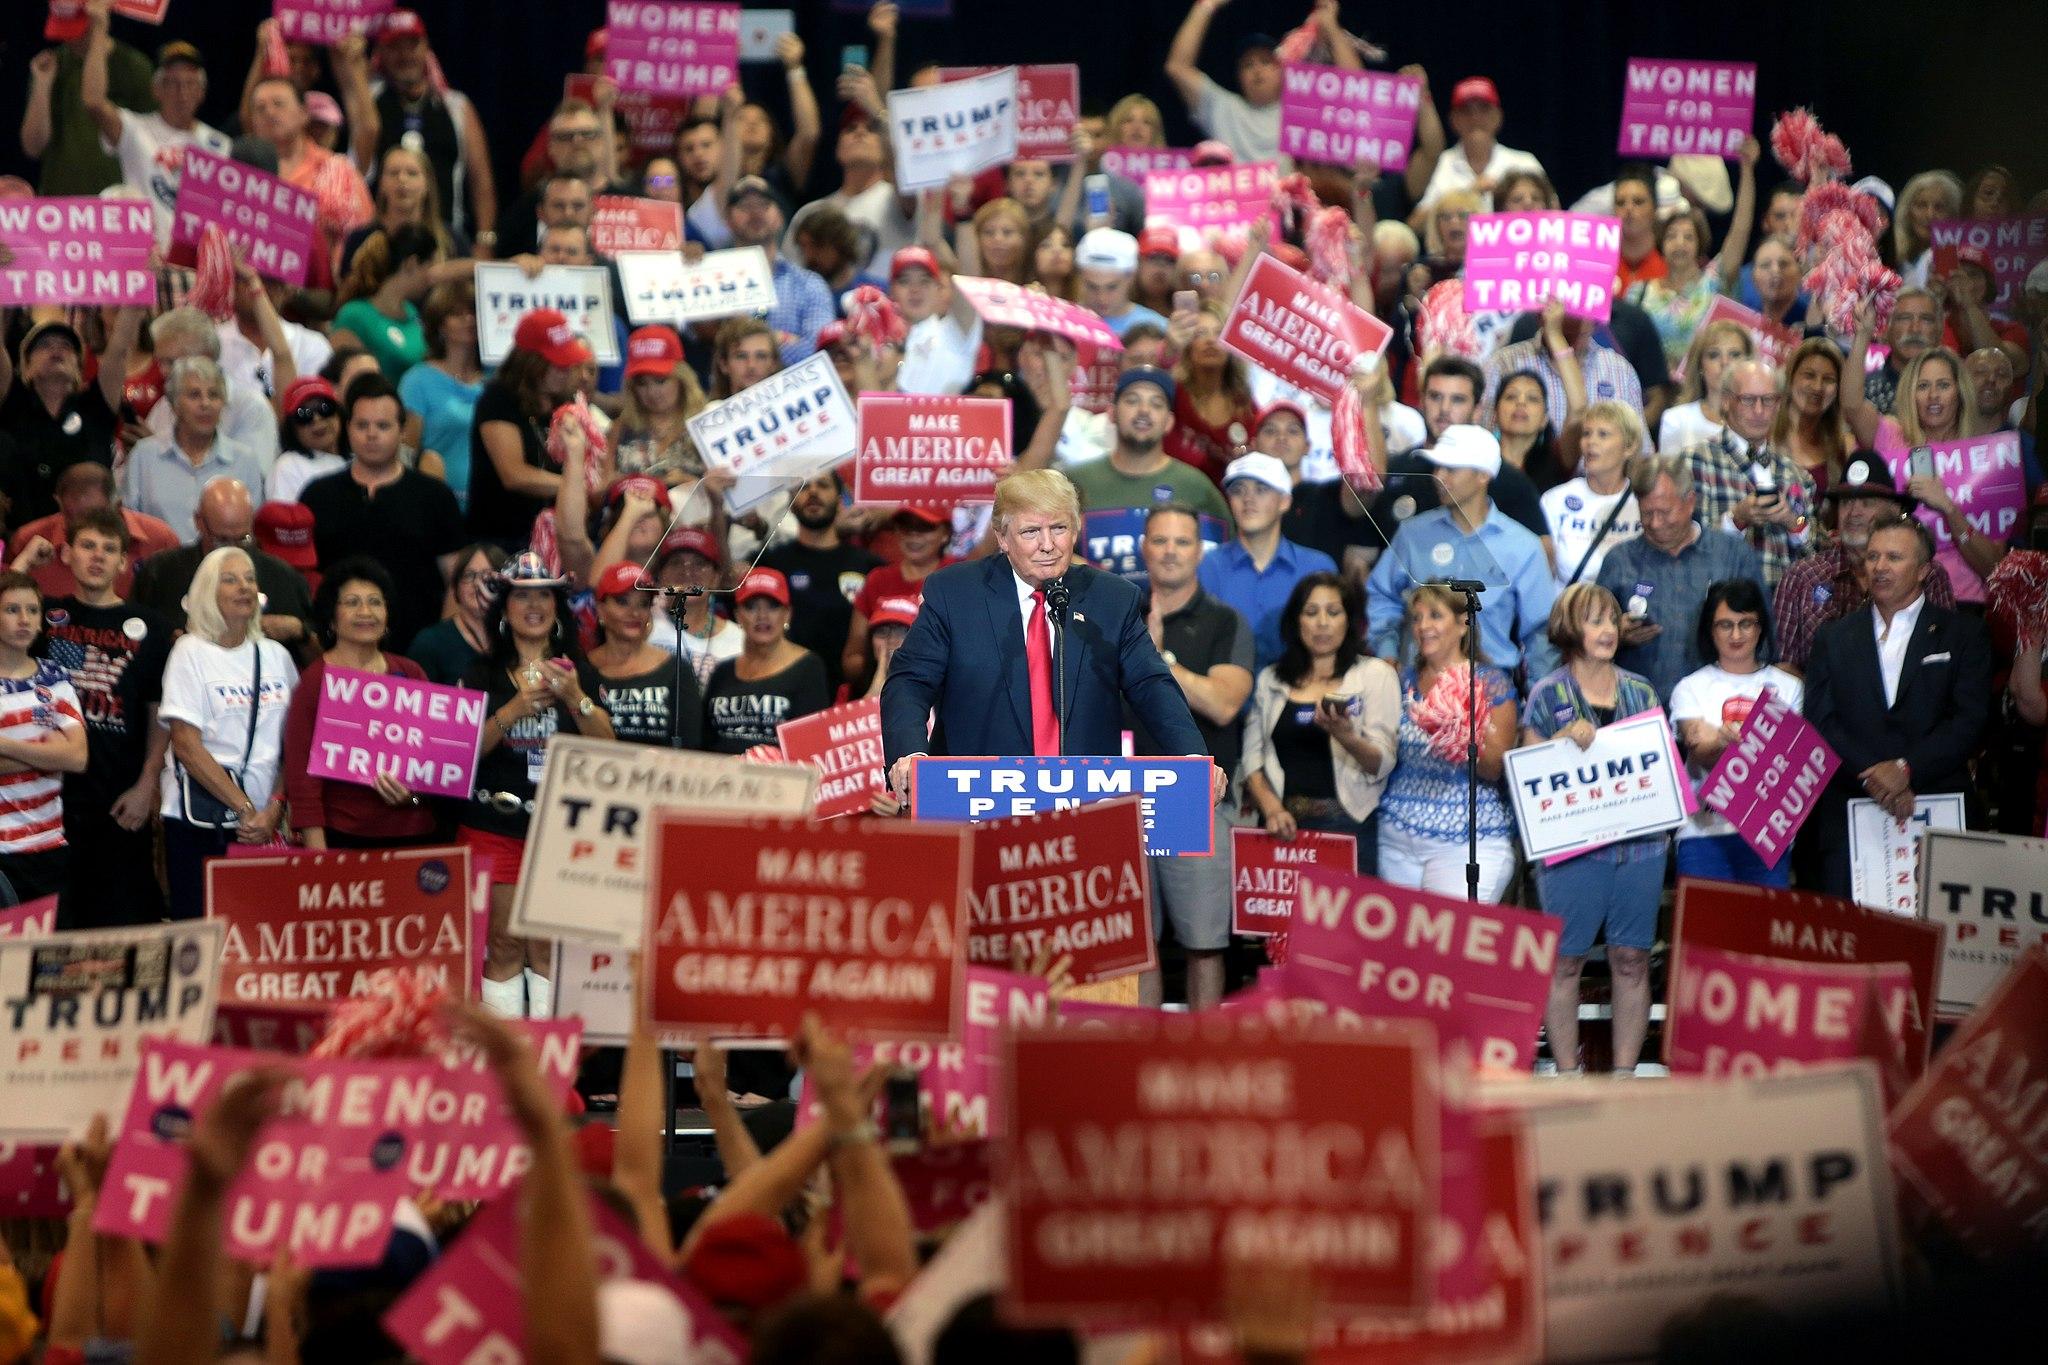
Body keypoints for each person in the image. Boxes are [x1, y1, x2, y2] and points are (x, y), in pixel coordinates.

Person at [883, 470, 1219, 806]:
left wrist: (1192, 759)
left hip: (1083, 809)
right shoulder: (955, 594)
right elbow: (909, 682)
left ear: (1075, 530)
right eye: (1031, 531)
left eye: (1058, 528)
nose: (1048, 544)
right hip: (976, 804)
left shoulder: (1112, 599)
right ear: (1002, 537)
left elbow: (1151, 684)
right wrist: (911, 753)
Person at [1803, 516, 1991, 897]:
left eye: (1893, 557)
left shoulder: (1963, 633)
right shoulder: (1833, 638)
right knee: (1851, 943)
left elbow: (1970, 721)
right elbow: (1821, 721)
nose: (1880, 566)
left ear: (1923, 570)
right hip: (1852, 809)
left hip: (1937, 806)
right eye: (1872, 556)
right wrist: (1875, 777)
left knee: (1935, 943)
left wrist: (1907, 769)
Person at [461, 552, 614, 1017]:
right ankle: (508, 1073)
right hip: (494, 822)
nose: (533, 606)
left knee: (549, 948)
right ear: (504, 609)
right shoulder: (481, 673)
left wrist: (576, 700)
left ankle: (551, 1073)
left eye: (543, 595)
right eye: (521, 596)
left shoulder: (580, 671)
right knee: (504, 944)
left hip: (560, 826)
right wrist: (512, 711)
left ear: (557, 606)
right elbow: (459, 757)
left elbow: (611, 747)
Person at [1522, 583, 1666, 1076]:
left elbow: (1661, 767)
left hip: (1640, 850)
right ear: (1569, 629)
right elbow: (1529, 778)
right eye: (1595, 621)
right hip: (1572, 854)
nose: (1607, 631)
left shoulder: (1641, 691)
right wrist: (1560, 742)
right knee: (1565, 964)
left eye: (1611, 621)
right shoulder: (1547, 693)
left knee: (1631, 960)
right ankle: (1567, 1077)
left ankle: (1623, 1078)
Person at [1133, 504, 1253, 1009]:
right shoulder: (1118, 614)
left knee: (1204, 944)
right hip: (1121, 792)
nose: (1170, 552)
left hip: (1193, 798)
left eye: (1182, 542)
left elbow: (1224, 704)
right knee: (1137, 947)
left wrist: (1157, 657)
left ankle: (1204, 1061)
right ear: (1143, 548)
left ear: (1200, 551)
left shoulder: (1225, 622)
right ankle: (1139, 1064)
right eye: (1159, 541)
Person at [43, 507, 170, 927]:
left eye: (109, 549)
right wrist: (24, 565)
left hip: (120, 800)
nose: (97, 557)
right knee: (57, 924)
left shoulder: (151, 626)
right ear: (67, 554)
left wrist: (147, 785)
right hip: (50, 800)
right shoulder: (43, 617)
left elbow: (158, 714)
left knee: (123, 925)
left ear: (123, 562)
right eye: (87, 546)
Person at [158, 546, 299, 920]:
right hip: (201, 820)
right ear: (207, 591)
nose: (244, 588)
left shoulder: (276, 656)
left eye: (250, 579)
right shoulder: (190, 652)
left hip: (266, 822)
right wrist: (245, 808)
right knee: (201, 937)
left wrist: (275, 806)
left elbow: (292, 745)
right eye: (230, 579)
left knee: (258, 936)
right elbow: (186, 745)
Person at [1366, 426, 1559, 687]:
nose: (1438, 476)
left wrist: (1537, 706)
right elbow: (1381, 595)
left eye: (1451, 469)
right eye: (1437, 468)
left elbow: (1540, 636)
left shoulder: (1523, 546)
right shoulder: (1413, 534)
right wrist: (1387, 653)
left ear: (1483, 475)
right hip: (1418, 686)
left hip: (1491, 689)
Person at [1241, 572, 1399, 875]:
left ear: (1349, 620)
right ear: (1296, 621)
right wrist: (1271, 809)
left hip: (1346, 823)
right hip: (1280, 823)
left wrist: (1347, 736)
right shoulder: (1271, 679)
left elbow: (1383, 765)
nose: (1322, 623)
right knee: (1276, 923)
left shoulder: (1374, 674)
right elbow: (1251, 757)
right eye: (1311, 612)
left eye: (1333, 612)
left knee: (1341, 923)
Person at [299, 375, 466, 652]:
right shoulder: (318, 495)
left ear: (402, 431)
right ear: (347, 428)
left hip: (415, 650)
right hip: (335, 652)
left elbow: (456, 580)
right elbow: (303, 579)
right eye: (362, 425)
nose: (371, 434)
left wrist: (438, 644)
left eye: (383, 426)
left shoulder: (434, 496)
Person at [1843, 305, 1999, 598]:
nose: (1933, 396)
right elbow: (1851, 405)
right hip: (1896, 599)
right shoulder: (1892, 435)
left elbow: (1994, 566)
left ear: (1959, 391)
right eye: (1923, 386)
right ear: (1910, 394)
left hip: (1963, 601)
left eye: (1943, 385)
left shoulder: (1985, 458)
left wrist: (1948, 508)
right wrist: (1863, 334)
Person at [1376, 583, 1520, 900]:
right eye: (1416, 618)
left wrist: (1453, 728)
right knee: (1402, 946)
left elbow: (1494, 768)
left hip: (1467, 839)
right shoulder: (1402, 682)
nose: (1423, 626)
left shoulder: (1489, 682)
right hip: (1397, 837)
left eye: (1435, 616)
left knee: (1450, 946)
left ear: (1462, 623)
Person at [281, 558, 436, 851]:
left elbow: (434, 764)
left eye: (375, 602)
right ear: (331, 616)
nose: (365, 612)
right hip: (343, 840)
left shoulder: (412, 673)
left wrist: (413, 796)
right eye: (352, 602)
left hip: (414, 835)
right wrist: (318, 854)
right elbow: (302, 780)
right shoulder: (314, 683)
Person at [1594, 455, 1763, 704]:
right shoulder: (1619, 561)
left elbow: (1765, 634)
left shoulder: (1732, 556)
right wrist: (1617, 634)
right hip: (1639, 709)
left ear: (1690, 501)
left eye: (1664, 512)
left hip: (1720, 710)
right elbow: (1586, 640)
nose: (1655, 523)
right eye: (1646, 513)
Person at [1670, 578, 1803, 886]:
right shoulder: (1690, 687)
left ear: (1761, 627)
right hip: (1703, 834)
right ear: (1710, 630)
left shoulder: (1790, 688)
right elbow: (1699, 751)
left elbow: (1792, 761)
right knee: (1701, 934)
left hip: (1767, 835)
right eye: (1725, 625)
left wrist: (1721, 739)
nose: (1736, 634)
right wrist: (1719, 739)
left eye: (1746, 623)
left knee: (1762, 933)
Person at [1066, 368, 1234, 573]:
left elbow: (1225, 562)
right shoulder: (1074, 483)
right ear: (1111, 413)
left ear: (1169, 422)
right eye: (1132, 400)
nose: (1144, 410)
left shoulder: (1197, 487)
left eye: (1156, 403)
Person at [79, 17, 229, 246]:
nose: (182, 92)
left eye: (190, 83)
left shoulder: (220, 144)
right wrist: (99, 32)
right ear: (156, 89)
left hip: (197, 261)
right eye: (172, 83)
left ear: (202, 92)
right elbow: (93, 102)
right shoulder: (134, 129)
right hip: (149, 259)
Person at [1676, 359, 1817, 591]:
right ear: (1726, 401)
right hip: (1719, 604)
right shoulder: (1694, 462)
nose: (1759, 411)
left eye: (1768, 400)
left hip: (1783, 611)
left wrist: (1793, 522)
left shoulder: (1798, 476)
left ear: (1779, 404)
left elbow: (1815, 554)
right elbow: (1682, 547)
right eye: (1748, 400)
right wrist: (1736, 519)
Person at [130, 477, 315, 652]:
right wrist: (166, 641)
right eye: (222, 540)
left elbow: (319, 659)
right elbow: (134, 637)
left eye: (243, 539)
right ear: (199, 522)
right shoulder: (161, 573)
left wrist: (299, 631)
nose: (233, 549)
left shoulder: (284, 579)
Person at [1625, 139, 1759, 373]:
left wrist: (1747, 170)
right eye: (1671, 237)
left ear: (1699, 245)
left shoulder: (1715, 282)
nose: (1680, 244)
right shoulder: (1638, 294)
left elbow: (1740, 229)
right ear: (1660, 244)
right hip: (1653, 399)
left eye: (1688, 237)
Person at [0, 312, 141, 531]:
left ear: (79, 366)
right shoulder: (13, 402)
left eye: (66, 346)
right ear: (26, 365)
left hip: (90, 537)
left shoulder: (95, 406)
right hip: (22, 537)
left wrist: (138, 290)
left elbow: (120, 349)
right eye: (44, 345)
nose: (56, 350)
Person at [1198, 453, 1338, 673]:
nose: (1248, 499)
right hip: (1222, 700)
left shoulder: (1317, 568)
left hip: (1300, 699)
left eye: (1261, 489)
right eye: (1238, 490)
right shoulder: (1206, 567)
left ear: (1285, 501)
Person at [367, 9, 498, 242]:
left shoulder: (457, 107)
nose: (405, 55)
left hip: (445, 239)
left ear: (426, 48)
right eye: (395, 47)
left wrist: (485, 239)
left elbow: (481, 180)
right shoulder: (369, 102)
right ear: (381, 53)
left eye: (412, 45)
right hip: (382, 239)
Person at [468, 308, 590, 546]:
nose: (566, 372)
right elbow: (514, 474)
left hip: (553, 536)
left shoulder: (565, 402)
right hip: (501, 539)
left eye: (568, 364)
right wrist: (575, 486)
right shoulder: (499, 398)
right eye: (558, 364)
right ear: (529, 362)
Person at [0, 571, 86, 905]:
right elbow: (62, 756)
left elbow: (77, 758)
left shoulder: (55, 678)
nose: (24, 620)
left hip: (49, 843)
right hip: (2, 852)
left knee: (49, 956)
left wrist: (6, 745)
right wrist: (47, 754)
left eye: (32, 611)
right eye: (11, 610)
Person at [759, 471, 878, 697]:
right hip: (786, 690)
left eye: (823, 485)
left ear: (840, 499)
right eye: (803, 488)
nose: (813, 492)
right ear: (791, 502)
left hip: (852, 697)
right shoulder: (771, 562)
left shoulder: (869, 565)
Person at [122, 356, 268, 537]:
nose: (205, 404)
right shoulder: (144, 456)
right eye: (194, 395)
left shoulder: (245, 460)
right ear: (174, 405)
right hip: (159, 564)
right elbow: (131, 528)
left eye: (214, 395)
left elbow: (251, 532)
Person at [5, 462, 179, 601]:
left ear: (117, 504)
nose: (88, 528)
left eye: (98, 517)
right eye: (76, 518)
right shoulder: (27, 539)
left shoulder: (160, 539)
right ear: (59, 503)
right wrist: (24, 561)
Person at [702, 569, 830, 754]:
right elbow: (704, 743)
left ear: (787, 614)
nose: (762, 616)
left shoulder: (809, 667)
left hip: (780, 779)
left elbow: (809, 746)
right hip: (721, 778)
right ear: (738, 615)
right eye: (752, 606)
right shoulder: (723, 671)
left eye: (772, 606)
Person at [586, 562, 703, 749]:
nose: (634, 613)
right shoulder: (583, 669)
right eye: (622, 601)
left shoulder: (676, 669)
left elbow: (692, 744)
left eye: (643, 603)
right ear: (600, 609)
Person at [842, 507, 956, 690]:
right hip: (883, 692)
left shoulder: (959, 574)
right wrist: (883, 661)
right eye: (906, 528)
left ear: (945, 534)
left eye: (925, 528)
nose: (913, 536)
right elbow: (852, 658)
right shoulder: (878, 579)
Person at [727, 175, 835, 366]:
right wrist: (783, 339)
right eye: (745, 206)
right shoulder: (712, 279)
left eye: (764, 204)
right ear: (727, 219)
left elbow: (819, 353)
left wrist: (761, 344)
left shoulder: (809, 284)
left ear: (779, 216)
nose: (755, 212)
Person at [1163, 2, 1286, 164]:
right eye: (1248, 65)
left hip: (1290, 189)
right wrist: (1206, 5)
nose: (1257, 70)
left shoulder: (1300, 112)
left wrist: (1329, 27)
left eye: (1265, 62)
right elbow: (1177, 67)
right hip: (1234, 190)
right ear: (1239, 77)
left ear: (1282, 71)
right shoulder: (1225, 108)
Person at [1411, 76, 1546, 218]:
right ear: (1453, 120)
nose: (1475, 118)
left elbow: (1555, 213)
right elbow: (1416, 224)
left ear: (1498, 116)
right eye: (1466, 111)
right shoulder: (1442, 162)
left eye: (1484, 109)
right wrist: (1467, 195)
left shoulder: (1524, 163)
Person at [1542, 399, 1644, 588]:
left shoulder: (1643, 503)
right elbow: (1542, 575)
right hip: (1566, 610)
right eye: (1586, 433)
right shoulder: (1555, 499)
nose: (1591, 442)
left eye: (1603, 434)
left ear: (1629, 447)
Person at [1164, 303, 1258, 488]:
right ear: (1187, 346)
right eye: (1200, 334)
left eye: (1218, 333)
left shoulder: (1246, 405)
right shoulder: (1171, 395)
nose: (1210, 341)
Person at [329, 224, 437, 383]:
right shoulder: (354, 315)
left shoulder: (412, 312)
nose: (431, 278)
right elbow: (342, 378)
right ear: (412, 264)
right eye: (430, 267)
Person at [648, 528, 743, 686]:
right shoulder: (641, 628)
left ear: (716, 578)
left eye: (699, 564)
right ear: (660, 576)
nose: (687, 571)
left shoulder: (740, 640)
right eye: (676, 563)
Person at [410, 542, 507, 685]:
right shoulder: (429, 643)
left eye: (489, 576)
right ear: (455, 586)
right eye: (469, 575)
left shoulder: (516, 637)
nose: (478, 583)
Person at [1771, 338, 1853, 497]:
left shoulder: (1844, 448)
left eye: (1828, 379)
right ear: (1790, 377)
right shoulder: (1763, 433)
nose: (1817, 387)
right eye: (1809, 375)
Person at [1658, 318, 1754, 452]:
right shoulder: (1676, 420)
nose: (1725, 362)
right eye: (1714, 355)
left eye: (1735, 355)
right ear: (1700, 366)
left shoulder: (1760, 424)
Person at [266, 375, 346, 505]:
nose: (317, 419)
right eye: (304, 414)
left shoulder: (358, 458)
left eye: (325, 408)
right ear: (291, 428)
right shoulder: (288, 466)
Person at [1862, 287, 1942, 416]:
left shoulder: (1958, 389)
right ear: (1886, 328)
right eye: (1904, 318)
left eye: (1926, 319)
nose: (1915, 329)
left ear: (1939, 330)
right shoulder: (1865, 390)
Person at [1076, 229, 1169, 339]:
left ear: (1131, 277)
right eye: (1092, 287)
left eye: (1112, 287)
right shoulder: (1065, 322)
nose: (1102, 298)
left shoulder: (1158, 328)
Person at [1892, 171, 1962, 288]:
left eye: (1939, 208)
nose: (1930, 215)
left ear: (1952, 214)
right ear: (1908, 212)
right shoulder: (1891, 255)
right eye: (1921, 205)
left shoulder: (1957, 257)